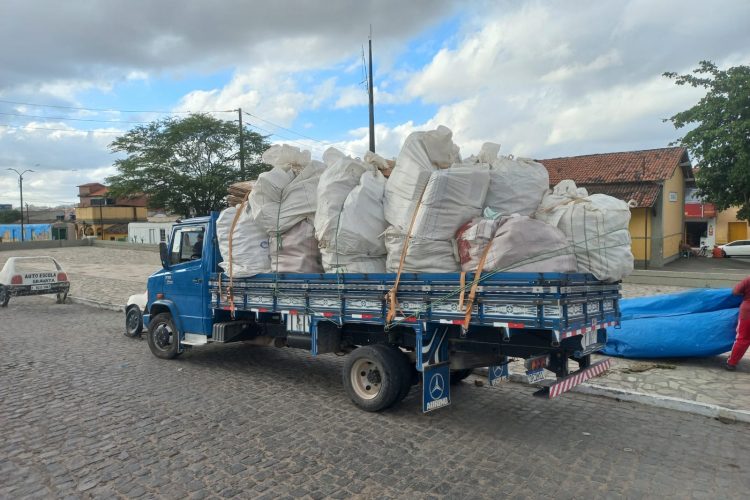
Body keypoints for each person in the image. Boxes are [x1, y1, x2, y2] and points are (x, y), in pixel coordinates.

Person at [727, 275, 750, 370]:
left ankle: (731, 363)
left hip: (747, 312)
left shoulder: (748, 279)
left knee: (742, 339)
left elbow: (735, 292)